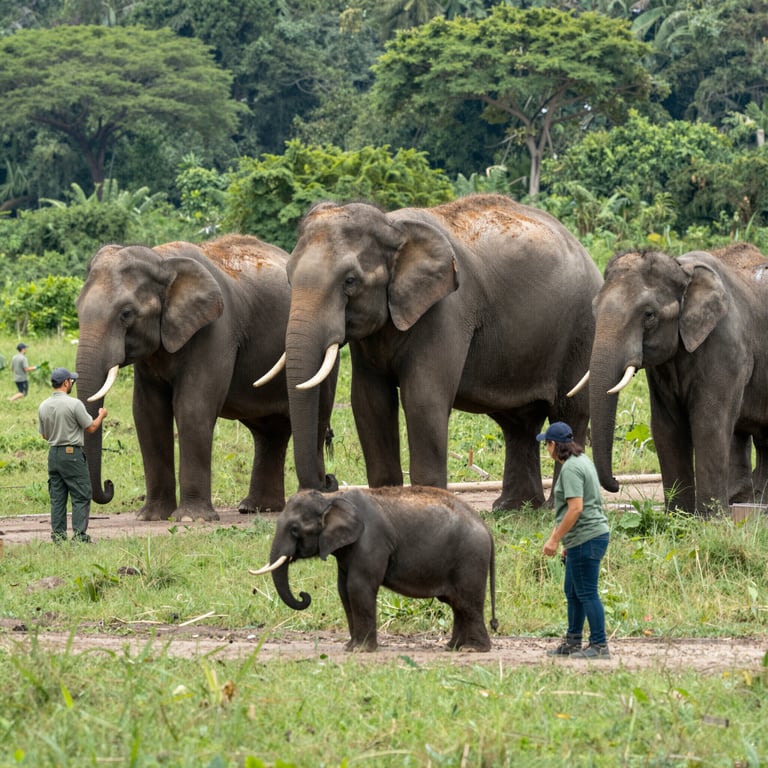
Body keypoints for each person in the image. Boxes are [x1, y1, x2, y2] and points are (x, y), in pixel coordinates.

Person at [537, 421, 611, 659]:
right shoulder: (582, 461)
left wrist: (555, 540)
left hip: (586, 537)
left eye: (546, 444)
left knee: (587, 592)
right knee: (573, 590)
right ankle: (572, 642)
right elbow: (570, 509)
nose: (545, 449)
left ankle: (599, 645)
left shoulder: (569, 469)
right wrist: (561, 539)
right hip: (584, 537)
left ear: (554, 445)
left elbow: (575, 509)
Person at [38, 367, 107, 543]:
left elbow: (44, 435)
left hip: (53, 455)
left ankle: (59, 537)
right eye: (72, 382)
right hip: (72, 455)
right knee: (81, 494)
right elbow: (91, 427)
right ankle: (79, 537)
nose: (72, 385)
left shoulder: (43, 406)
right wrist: (101, 416)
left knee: (58, 497)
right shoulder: (74, 404)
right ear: (66, 382)